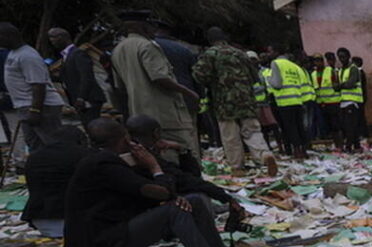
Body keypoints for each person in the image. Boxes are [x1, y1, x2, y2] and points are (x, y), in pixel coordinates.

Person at [63, 118, 239, 247]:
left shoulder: (106, 159)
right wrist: (154, 167)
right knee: (175, 211)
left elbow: (179, 182)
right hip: (103, 243)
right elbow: (159, 192)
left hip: (110, 233)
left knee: (194, 201)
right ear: (124, 138)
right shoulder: (104, 164)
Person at [109, 11, 200, 157]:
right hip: (165, 113)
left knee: (155, 153)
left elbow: (119, 87)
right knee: (185, 150)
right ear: (142, 27)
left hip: (139, 115)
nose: (154, 31)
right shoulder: (147, 46)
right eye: (151, 26)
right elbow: (160, 78)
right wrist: (189, 92)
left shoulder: (118, 50)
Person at [192, 28, 276, 176]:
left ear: (209, 40)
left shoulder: (210, 54)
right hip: (247, 100)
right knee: (252, 131)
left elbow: (199, 76)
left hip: (224, 102)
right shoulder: (240, 53)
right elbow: (254, 76)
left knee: (230, 136)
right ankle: (264, 155)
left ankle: (237, 167)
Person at [0, 22, 67, 156]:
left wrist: (35, 110)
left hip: (41, 107)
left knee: (52, 142)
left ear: (9, 36)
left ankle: (63, 165)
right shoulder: (14, 53)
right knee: (34, 144)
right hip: (25, 106)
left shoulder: (27, 56)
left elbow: (38, 85)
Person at [22, 125, 90, 237]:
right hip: (75, 220)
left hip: (39, 219)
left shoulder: (34, 157)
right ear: (81, 141)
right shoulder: (85, 155)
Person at [50, 29, 107, 126]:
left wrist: (81, 97)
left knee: (93, 126)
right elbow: (67, 78)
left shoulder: (78, 54)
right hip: (80, 100)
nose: (52, 42)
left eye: (53, 38)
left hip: (88, 99)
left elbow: (87, 77)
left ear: (62, 37)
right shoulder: (66, 56)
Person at [266, 48, 312, 158]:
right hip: (297, 100)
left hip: (284, 101)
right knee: (299, 126)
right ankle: (303, 150)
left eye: (270, 51)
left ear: (277, 52)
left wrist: (269, 79)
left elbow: (277, 84)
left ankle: (296, 151)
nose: (269, 54)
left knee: (290, 128)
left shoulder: (275, 63)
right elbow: (302, 83)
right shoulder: (294, 66)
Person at [330, 47, 363, 152]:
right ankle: (356, 146)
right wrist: (341, 86)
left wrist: (340, 86)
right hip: (344, 101)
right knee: (348, 126)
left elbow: (350, 84)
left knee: (350, 126)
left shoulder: (353, 69)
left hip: (353, 101)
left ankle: (349, 146)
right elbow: (336, 86)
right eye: (340, 57)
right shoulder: (340, 70)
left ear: (348, 57)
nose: (341, 59)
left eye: (343, 57)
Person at [310, 54, 340, 141]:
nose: (318, 63)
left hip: (333, 101)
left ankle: (337, 140)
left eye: (320, 60)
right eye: (316, 61)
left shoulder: (330, 70)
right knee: (324, 124)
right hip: (320, 102)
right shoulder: (313, 74)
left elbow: (336, 83)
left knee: (335, 124)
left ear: (323, 61)